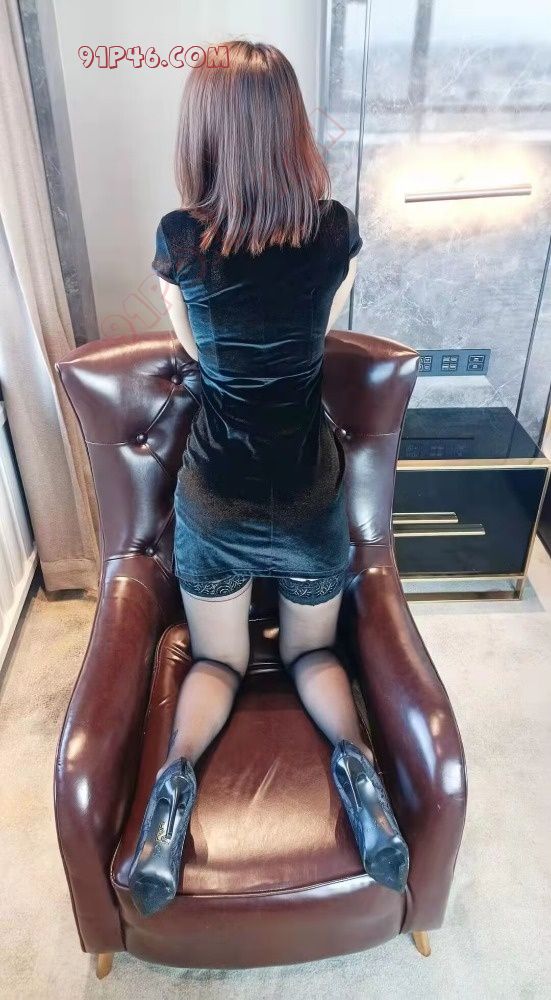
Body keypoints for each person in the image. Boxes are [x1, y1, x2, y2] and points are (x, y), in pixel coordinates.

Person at [128, 39, 409, 917]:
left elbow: (191, 346)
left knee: (217, 659)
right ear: (291, 125)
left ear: (203, 132)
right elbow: (320, 326)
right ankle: (358, 772)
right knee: (312, 651)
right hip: (308, 496)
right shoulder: (333, 230)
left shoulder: (181, 240)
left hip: (216, 498)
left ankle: (174, 783)